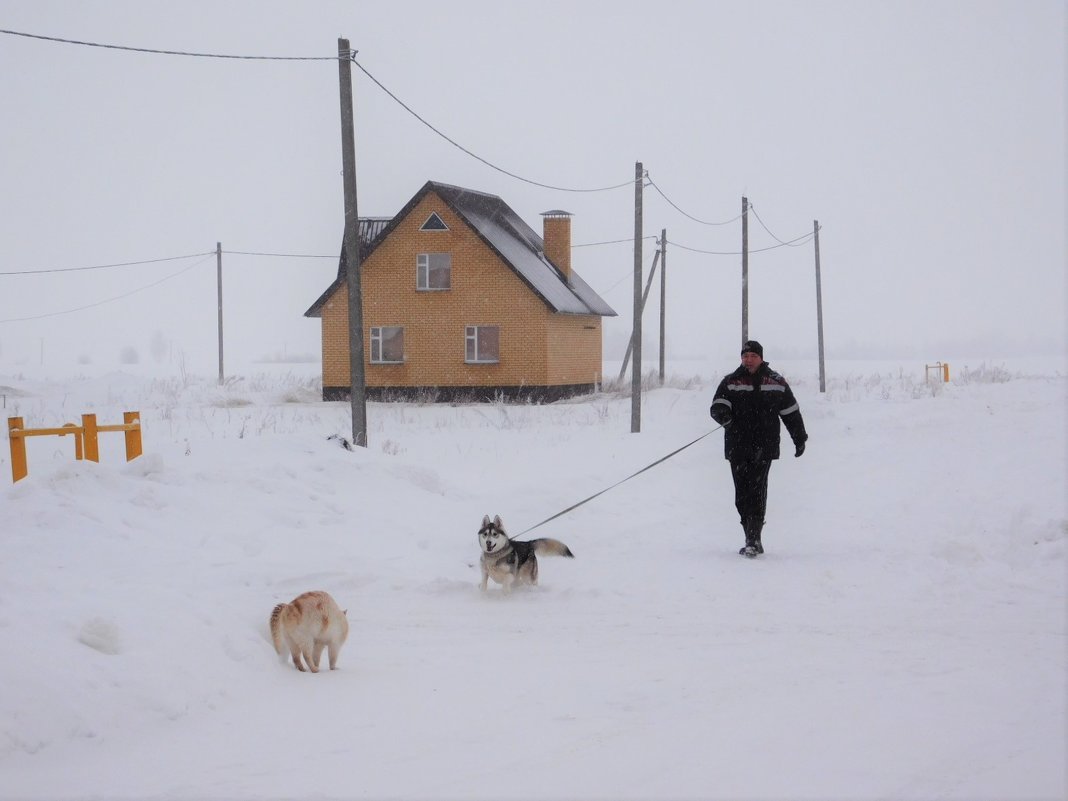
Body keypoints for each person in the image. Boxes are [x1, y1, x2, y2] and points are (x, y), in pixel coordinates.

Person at [709, 340, 808, 557]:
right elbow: (717, 405)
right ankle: (750, 533)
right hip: (737, 446)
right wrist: (725, 417)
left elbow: (791, 412)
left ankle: (753, 538)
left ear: (761, 357)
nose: (749, 359)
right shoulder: (731, 381)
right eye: (745, 356)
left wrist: (799, 438)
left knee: (757, 489)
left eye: (753, 355)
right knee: (741, 494)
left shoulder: (775, 381)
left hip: (764, 445)